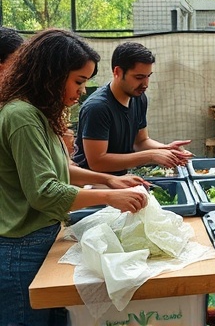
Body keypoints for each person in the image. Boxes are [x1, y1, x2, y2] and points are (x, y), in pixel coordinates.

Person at [0, 28, 149, 326]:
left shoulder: (38, 113)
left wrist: (109, 180)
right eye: (78, 81)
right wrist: (110, 196)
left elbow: (58, 167)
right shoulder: (21, 116)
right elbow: (44, 191)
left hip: (43, 237)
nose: (82, 91)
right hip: (21, 249)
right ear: (50, 75)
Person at [72, 42, 193, 176]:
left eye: (148, 76)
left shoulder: (138, 98)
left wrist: (166, 149)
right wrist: (151, 156)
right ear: (117, 72)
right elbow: (98, 162)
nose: (145, 84)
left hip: (120, 179)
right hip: (91, 183)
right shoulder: (97, 108)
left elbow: (140, 141)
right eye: (139, 77)